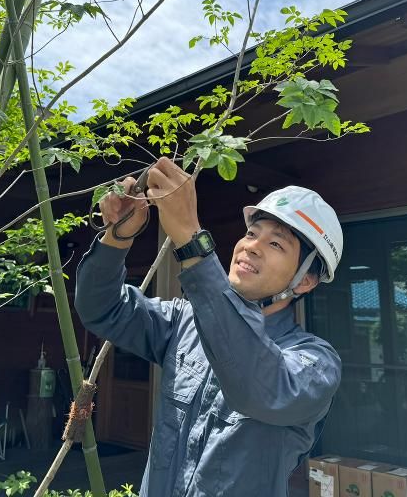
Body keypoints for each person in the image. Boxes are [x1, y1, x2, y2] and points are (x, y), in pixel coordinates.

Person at [75, 157, 343, 496]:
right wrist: (118, 237)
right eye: (251, 233)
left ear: (304, 281)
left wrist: (190, 237)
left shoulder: (315, 364)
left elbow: (259, 384)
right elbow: (102, 308)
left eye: (276, 243)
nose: (251, 247)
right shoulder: (184, 320)